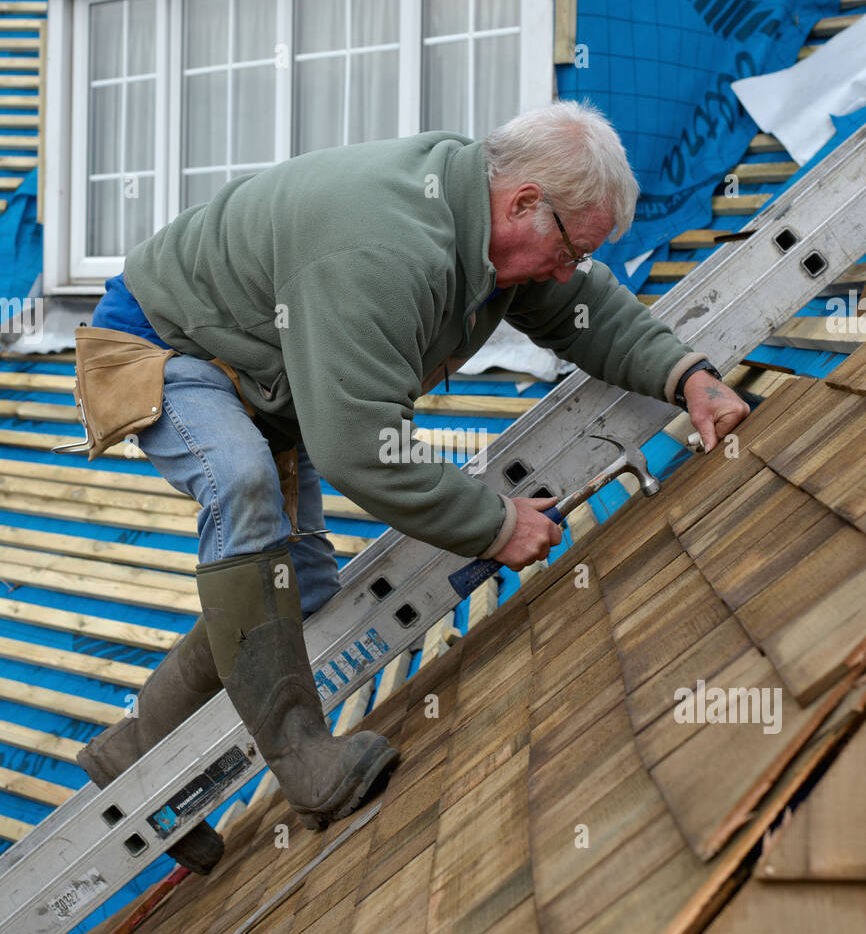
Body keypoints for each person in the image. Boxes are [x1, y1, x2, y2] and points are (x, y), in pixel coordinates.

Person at [75, 100, 750, 873]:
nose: (567, 268)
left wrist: (686, 376)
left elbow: (584, 308)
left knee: (303, 580)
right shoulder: (385, 246)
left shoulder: (490, 225)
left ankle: (135, 753)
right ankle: (305, 762)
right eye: (567, 248)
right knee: (243, 488)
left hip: (259, 374)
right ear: (524, 202)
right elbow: (362, 450)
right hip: (161, 347)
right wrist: (494, 525)